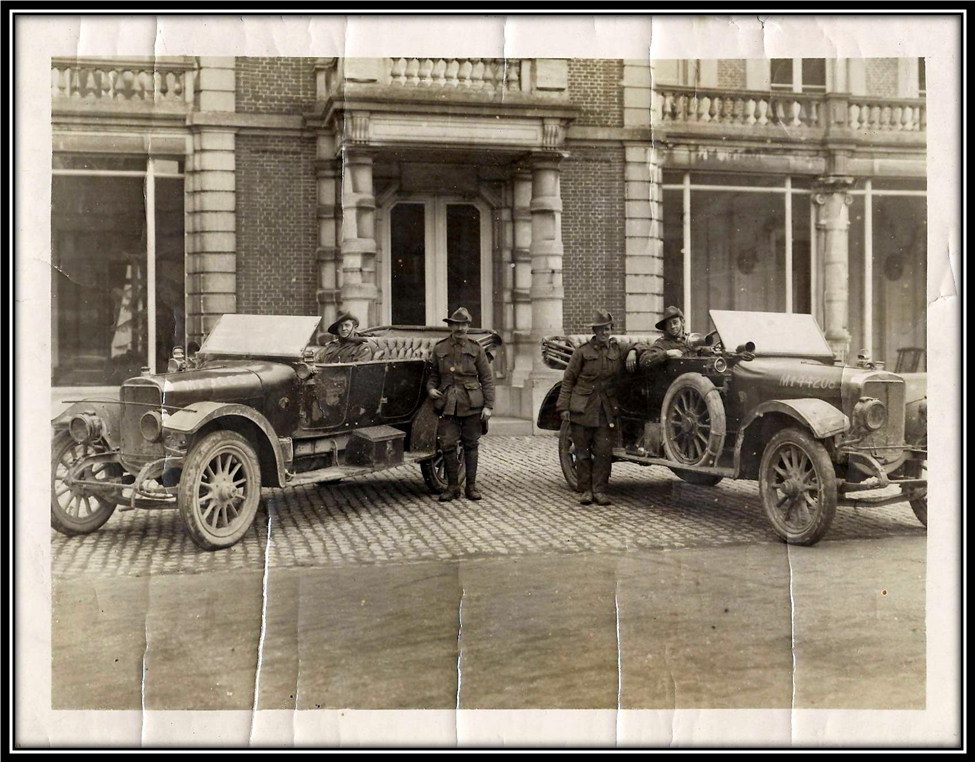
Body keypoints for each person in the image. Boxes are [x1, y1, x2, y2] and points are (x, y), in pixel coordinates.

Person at [426, 307, 495, 502]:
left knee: (470, 444)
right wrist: (431, 389)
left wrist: (488, 405)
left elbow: (487, 379)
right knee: (447, 444)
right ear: (451, 326)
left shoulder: (476, 348)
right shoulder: (440, 348)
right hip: (447, 403)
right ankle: (452, 487)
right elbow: (433, 376)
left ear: (468, 327)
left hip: (472, 403)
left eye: (464, 324)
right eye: (456, 324)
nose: (460, 328)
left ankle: (471, 487)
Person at [556, 309, 623, 506]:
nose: (605, 332)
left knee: (603, 451)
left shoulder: (616, 350)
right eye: (601, 329)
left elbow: (633, 348)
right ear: (595, 330)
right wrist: (563, 408)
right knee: (583, 451)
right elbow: (568, 380)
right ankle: (585, 490)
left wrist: (635, 351)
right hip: (582, 406)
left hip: (605, 409)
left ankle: (600, 490)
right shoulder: (582, 352)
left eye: (608, 329)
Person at [626, 305, 691, 372]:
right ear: (665, 327)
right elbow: (644, 360)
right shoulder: (662, 343)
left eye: (675, 322)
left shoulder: (690, 340)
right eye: (669, 324)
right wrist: (666, 354)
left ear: (682, 322)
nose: (672, 326)